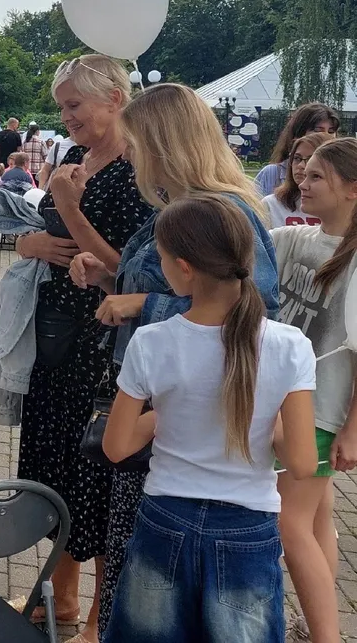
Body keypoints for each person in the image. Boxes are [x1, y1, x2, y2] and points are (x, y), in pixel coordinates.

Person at [69, 82, 280, 641]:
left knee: (152, 581)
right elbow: (173, 285)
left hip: (180, 413)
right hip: (155, 397)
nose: (131, 156)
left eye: (138, 144)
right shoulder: (175, 208)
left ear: (166, 144)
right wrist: (110, 278)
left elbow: (255, 310)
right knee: (132, 560)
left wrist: (142, 303)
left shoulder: (226, 211)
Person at [101, 194, 318, 643]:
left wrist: (163, 413)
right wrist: (267, 418)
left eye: (161, 258)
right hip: (247, 528)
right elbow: (300, 464)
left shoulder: (151, 342)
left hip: (165, 518)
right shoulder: (291, 345)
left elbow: (116, 447)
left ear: (184, 269)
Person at [8, 54, 153, 642]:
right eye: (61, 106)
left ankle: (101, 618)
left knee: (99, 476)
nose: (66, 117)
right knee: (56, 471)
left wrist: (67, 206)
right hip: (55, 341)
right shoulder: (74, 157)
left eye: (75, 105)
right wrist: (29, 244)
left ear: (115, 98)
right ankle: (60, 599)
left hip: (102, 343)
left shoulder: (140, 169)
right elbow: (42, 235)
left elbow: (133, 272)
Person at [270, 137, 357, 643]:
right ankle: (318, 625)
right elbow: (243, 232)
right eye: (302, 170)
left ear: (352, 190)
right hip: (288, 405)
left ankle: (325, 635)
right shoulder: (296, 239)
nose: (303, 180)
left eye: (318, 175)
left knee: (290, 524)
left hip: (318, 413)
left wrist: (352, 430)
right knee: (318, 521)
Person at [254, 102, 339, 197]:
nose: (326, 135)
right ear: (299, 133)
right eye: (318, 130)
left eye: (331, 131)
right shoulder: (272, 174)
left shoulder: (341, 174)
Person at [262, 131, 328, 228]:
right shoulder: (271, 205)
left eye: (310, 159)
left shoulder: (341, 208)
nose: (301, 165)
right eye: (297, 158)